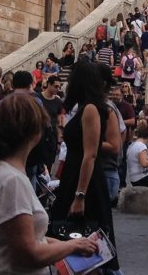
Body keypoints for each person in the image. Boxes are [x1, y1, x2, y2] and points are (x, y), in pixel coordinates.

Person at [0, 94, 98, 275]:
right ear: (36, 132)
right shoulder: (10, 180)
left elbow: (28, 239)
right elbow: (29, 254)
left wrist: (72, 245)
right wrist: (72, 246)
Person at [49, 60, 119, 272]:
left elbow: (90, 154)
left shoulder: (90, 109)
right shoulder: (86, 107)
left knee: (86, 245)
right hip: (76, 177)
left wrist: (80, 196)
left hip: (83, 183)